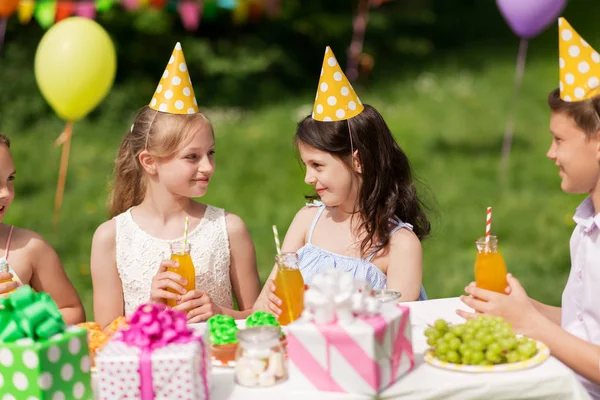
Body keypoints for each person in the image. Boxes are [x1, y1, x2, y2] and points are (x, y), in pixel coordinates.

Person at [459, 18, 600, 396]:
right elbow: (582, 327)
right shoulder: (587, 226)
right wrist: (523, 310)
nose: (550, 153)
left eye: (559, 140)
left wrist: (532, 326)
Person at [90, 43, 261, 329]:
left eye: (210, 153)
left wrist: (222, 313)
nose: (207, 166)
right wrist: (152, 310)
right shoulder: (111, 238)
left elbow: (261, 319)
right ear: (149, 162)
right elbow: (106, 336)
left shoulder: (229, 229)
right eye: (192, 157)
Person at [254, 46, 430, 317]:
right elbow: (262, 309)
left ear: (358, 161)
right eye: (306, 165)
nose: (308, 178)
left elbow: (395, 331)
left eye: (318, 165)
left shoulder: (399, 245)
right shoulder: (306, 222)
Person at [0, 133, 85, 324]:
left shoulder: (30, 249)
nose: (6, 192)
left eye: (10, 178)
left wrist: (29, 319)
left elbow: (73, 312)